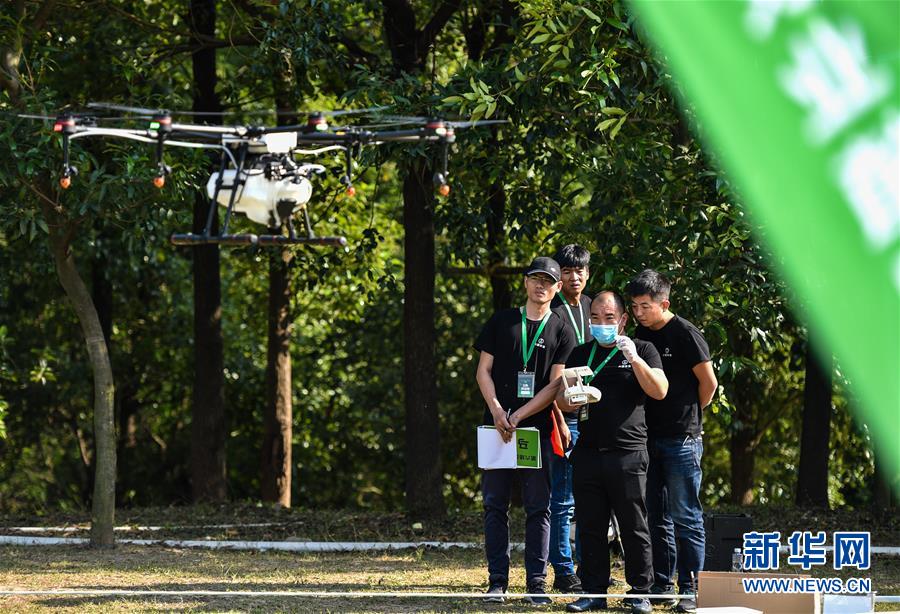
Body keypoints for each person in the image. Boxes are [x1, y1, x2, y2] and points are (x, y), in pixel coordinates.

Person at [557, 291, 668, 614]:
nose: (601, 324)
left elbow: (659, 390)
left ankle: (640, 591)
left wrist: (634, 358)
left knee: (634, 524)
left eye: (609, 318)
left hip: (629, 452)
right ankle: (593, 590)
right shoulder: (581, 352)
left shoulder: (643, 348)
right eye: (595, 318)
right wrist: (572, 398)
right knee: (590, 525)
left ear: (622, 320)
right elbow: (562, 399)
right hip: (588, 451)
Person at [474, 256, 577, 604]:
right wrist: (499, 411)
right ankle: (497, 582)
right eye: (535, 279)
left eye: (548, 281)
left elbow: (555, 384)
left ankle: (537, 583)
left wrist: (519, 415)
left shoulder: (562, 329)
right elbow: (482, 371)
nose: (541, 286)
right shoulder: (502, 321)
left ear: (557, 288)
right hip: (497, 426)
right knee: (494, 505)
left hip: (534, 428)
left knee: (539, 506)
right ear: (525, 282)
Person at [626, 270, 718, 613]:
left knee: (686, 515)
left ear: (664, 303)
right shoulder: (638, 334)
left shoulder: (685, 333)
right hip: (647, 437)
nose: (639, 313)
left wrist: (691, 415)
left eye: (645, 306)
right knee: (655, 515)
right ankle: (662, 583)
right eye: (634, 306)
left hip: (682, 439)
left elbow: (708, 383)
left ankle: (692, 588)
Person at [548, 244, 592, 593]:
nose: (573, 277)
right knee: (562, 498)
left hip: (596, 415)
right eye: (566, 271)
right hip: (565, 416)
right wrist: (559, 418)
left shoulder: (595, 309)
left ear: (587, 273)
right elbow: (545, 378)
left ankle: (587, 564)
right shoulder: (551, 312)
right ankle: (563, 569)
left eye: (579, 271)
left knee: (590, 496)